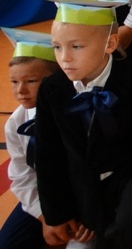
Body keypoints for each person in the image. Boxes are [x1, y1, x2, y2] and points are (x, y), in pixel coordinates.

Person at [35, 0, 132, 248]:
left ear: (111, 43)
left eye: (76, 47)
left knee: (131, 226)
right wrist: (55, 214)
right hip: (83, 180)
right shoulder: (52, 89)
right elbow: (48, 154)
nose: (64, 58)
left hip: (130, 175)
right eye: (57, 47)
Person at [0, 28, 61, 249]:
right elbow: (21, 175)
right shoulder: (16, 124)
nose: (21, 91)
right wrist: (44, 217)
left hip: (83, 195)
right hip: (43, 194)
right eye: (14, 82)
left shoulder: (75, 114)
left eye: (31, 81)